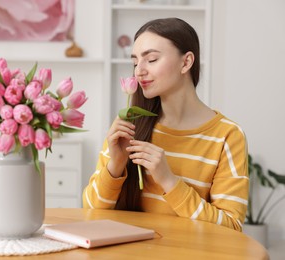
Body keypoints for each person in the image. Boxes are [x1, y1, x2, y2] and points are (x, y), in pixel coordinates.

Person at [82, 18, 248, 232]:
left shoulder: (227, 135)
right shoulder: (129, 126)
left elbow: (231, 228)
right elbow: (91, 211)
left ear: (186, 62)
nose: (139, 71)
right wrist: (116, 165)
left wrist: (169, 181)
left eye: (151, 59)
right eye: (134, 63)